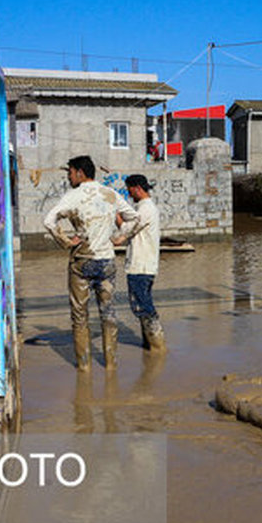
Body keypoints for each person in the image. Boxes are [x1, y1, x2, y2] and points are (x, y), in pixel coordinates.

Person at [43, 155, 136, 370]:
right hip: (106, 261)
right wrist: (120, 237)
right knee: (108, 312)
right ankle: (111, 366)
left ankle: (84, 369)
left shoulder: (73, 196)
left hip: (82, 261)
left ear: (80, 173)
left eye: (70, 172)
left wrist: (66, 242)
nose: (69, 176)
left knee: (79, 316)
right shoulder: (110, 193)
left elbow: (49, 221)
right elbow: (134, 218)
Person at [113, 174, 165, 351]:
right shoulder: (142, 208)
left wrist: (116, 216)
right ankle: (151, 347)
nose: (129, 194)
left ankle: (158, 346)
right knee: (142, 305)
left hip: (141, 266)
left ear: (137, 188)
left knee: (142, 305)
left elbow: (128, 228)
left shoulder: (146, 209)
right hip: (144, 265)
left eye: (129, 190)